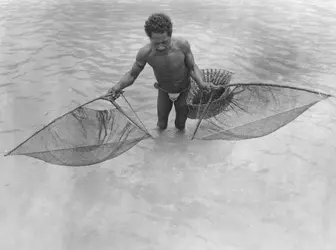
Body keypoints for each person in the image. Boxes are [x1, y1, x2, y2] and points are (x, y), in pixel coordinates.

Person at [107, 13, 219, 131]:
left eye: (164, 42)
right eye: (156, 43)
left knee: (180, 125)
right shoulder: (145, 53)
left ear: (170, 35)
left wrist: (202, 83)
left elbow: (192, 67)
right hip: (164, 92)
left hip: (184, 91)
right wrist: (116, 87)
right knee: (161, 124)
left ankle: (179, 146)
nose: (160, 46)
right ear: (149, 38)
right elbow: (132, 74)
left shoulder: (182, 46)